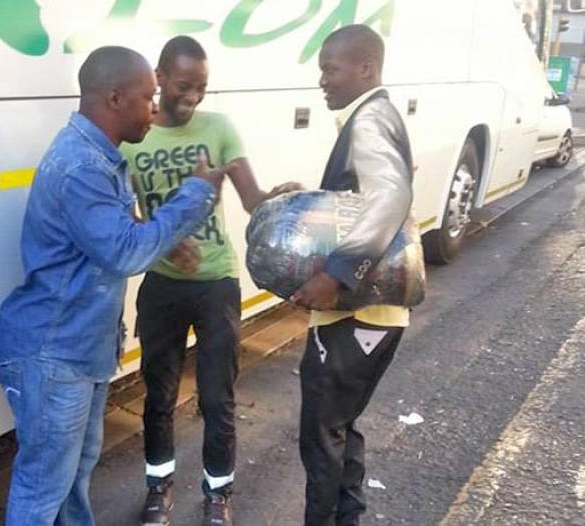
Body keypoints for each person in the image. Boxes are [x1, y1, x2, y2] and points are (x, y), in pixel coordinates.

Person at [0, 46, 225, 526]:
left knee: (73, 475)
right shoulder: (83, 166)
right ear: (115, 98)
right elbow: (122, 252)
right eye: (147, 97)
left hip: (79, 350)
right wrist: (196, 192)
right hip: (54, 354)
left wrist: (162, 240)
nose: (154, 109)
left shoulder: (97, 158)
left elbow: (110, 234)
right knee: (43, 488)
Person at [121, 35, 301, 526]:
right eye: (184, 85)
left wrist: (278, 198)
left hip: (216, 282)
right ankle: (159, 488)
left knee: (217, 398)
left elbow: (251, 199)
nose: (193, 96)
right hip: (161, 285)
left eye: (201, 87)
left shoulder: (219, 128)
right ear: (159, 77)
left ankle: (218, 495)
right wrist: (161, 241)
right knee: (158, 395)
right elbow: (125, 218)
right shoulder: (135, 137)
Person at [289, 25, 419, 525]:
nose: (322, 80)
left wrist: (337, 275)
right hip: (370, 314)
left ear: (365, 68)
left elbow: (390, 195)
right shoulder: (374, 115)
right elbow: (358, 200)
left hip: (359, 314)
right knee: (340, 427)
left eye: (330, 69)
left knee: (322, 437)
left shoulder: (368, 120)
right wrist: (307, 197)